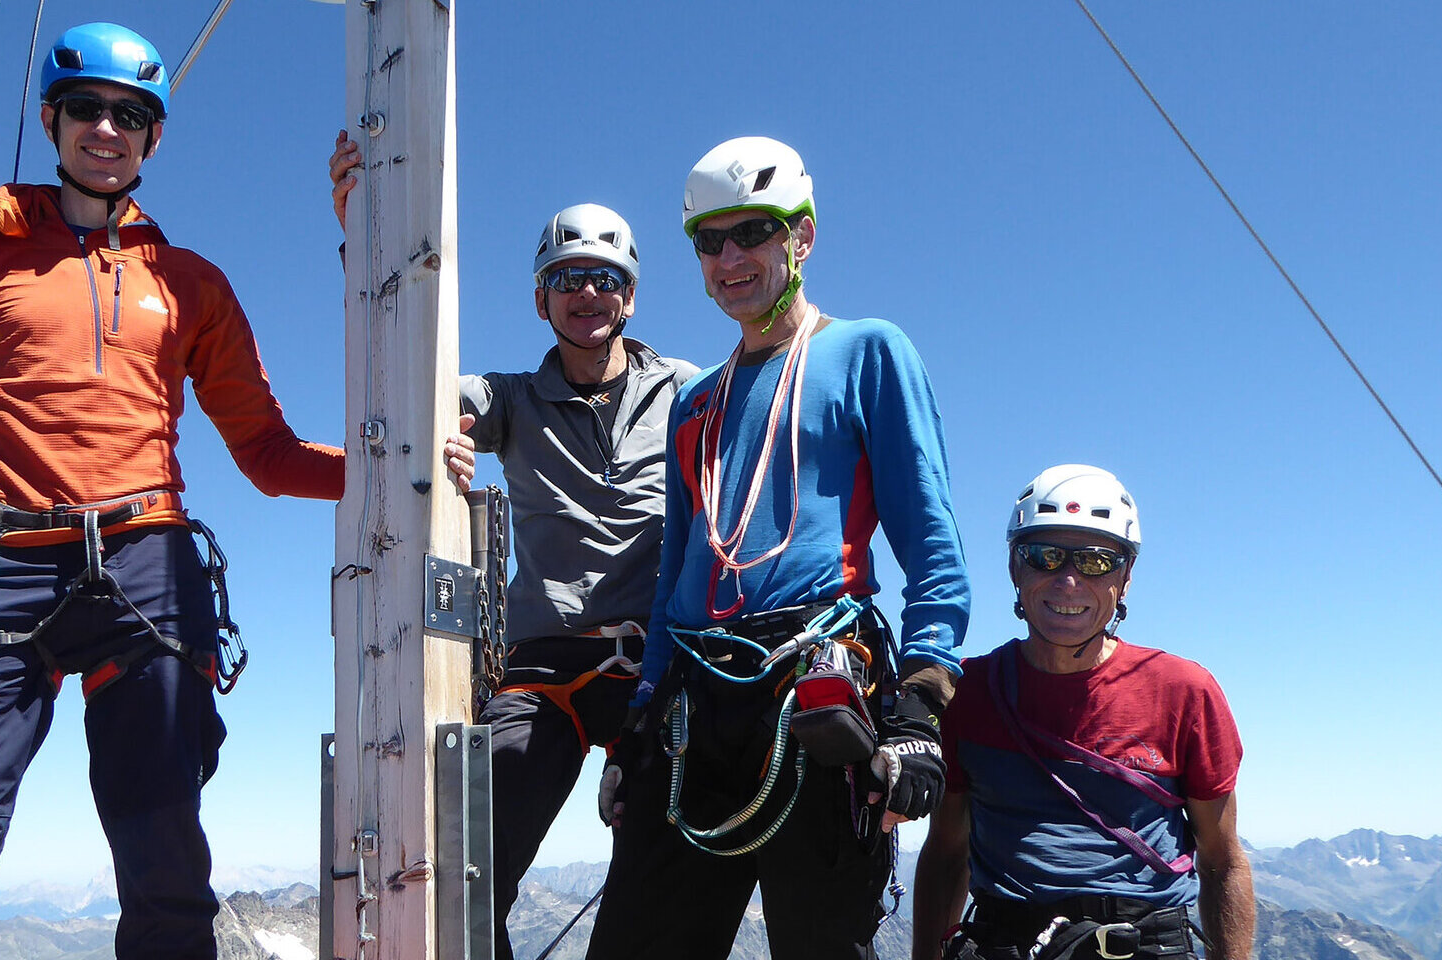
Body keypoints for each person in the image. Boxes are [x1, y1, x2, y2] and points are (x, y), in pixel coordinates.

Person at [0, 23, 343, 960]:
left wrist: (395, 475)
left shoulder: (192, 283)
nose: (107, 129)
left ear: (154, 137)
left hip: (147, 567)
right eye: (87, 108)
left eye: (132, 114)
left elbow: (268, 452)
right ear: (51, 118)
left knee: (165, 862)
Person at [585, 135, 971, 960]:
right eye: (708, 239)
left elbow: (932, 544)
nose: (729, 257)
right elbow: (674, 578)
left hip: (812, 692)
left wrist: (919, 707)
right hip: (692, 704)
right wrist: (635, 728)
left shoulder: (867, 353)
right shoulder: (696, 403)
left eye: (752, 231)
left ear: (802, 236)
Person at [328, 135, 698, 960]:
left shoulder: (684, 389)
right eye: (568, 279)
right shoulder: (509, 399)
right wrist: (366, 233)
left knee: (669, 867)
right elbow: (408, 372)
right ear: (541, 299)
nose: (588, 293)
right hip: (545, 664)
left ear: (630, 298)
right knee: (469, 862)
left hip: (660, 658)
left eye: (607, 279)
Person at [909, 465, 1254, 959]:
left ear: (1125, 578)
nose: (1068, 582)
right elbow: (946, 851)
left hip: (1141, 943)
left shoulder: (1183, 692)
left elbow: (1222, 862)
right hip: (1004, 940)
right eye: (1045, 555)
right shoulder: (968, 691)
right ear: (1015, 567)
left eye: (1096, 561)